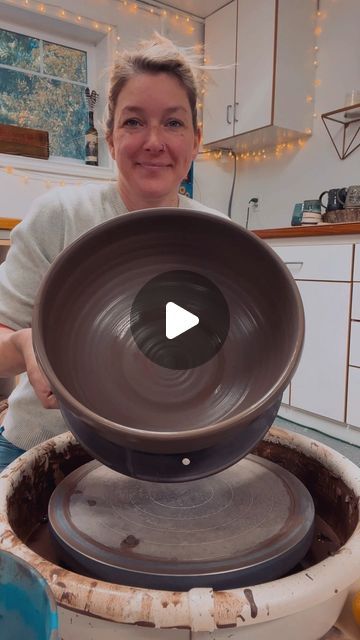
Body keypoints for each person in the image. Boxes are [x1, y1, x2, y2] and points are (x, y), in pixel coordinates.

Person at [0, 34, 224, 472]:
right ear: (110, 138)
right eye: (134, 122)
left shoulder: (221, 238)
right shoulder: (59, 216)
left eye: (174, 123)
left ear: (196, 139)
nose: (154, 141)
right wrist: (26, 343)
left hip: (171, 455)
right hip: (41, 446)